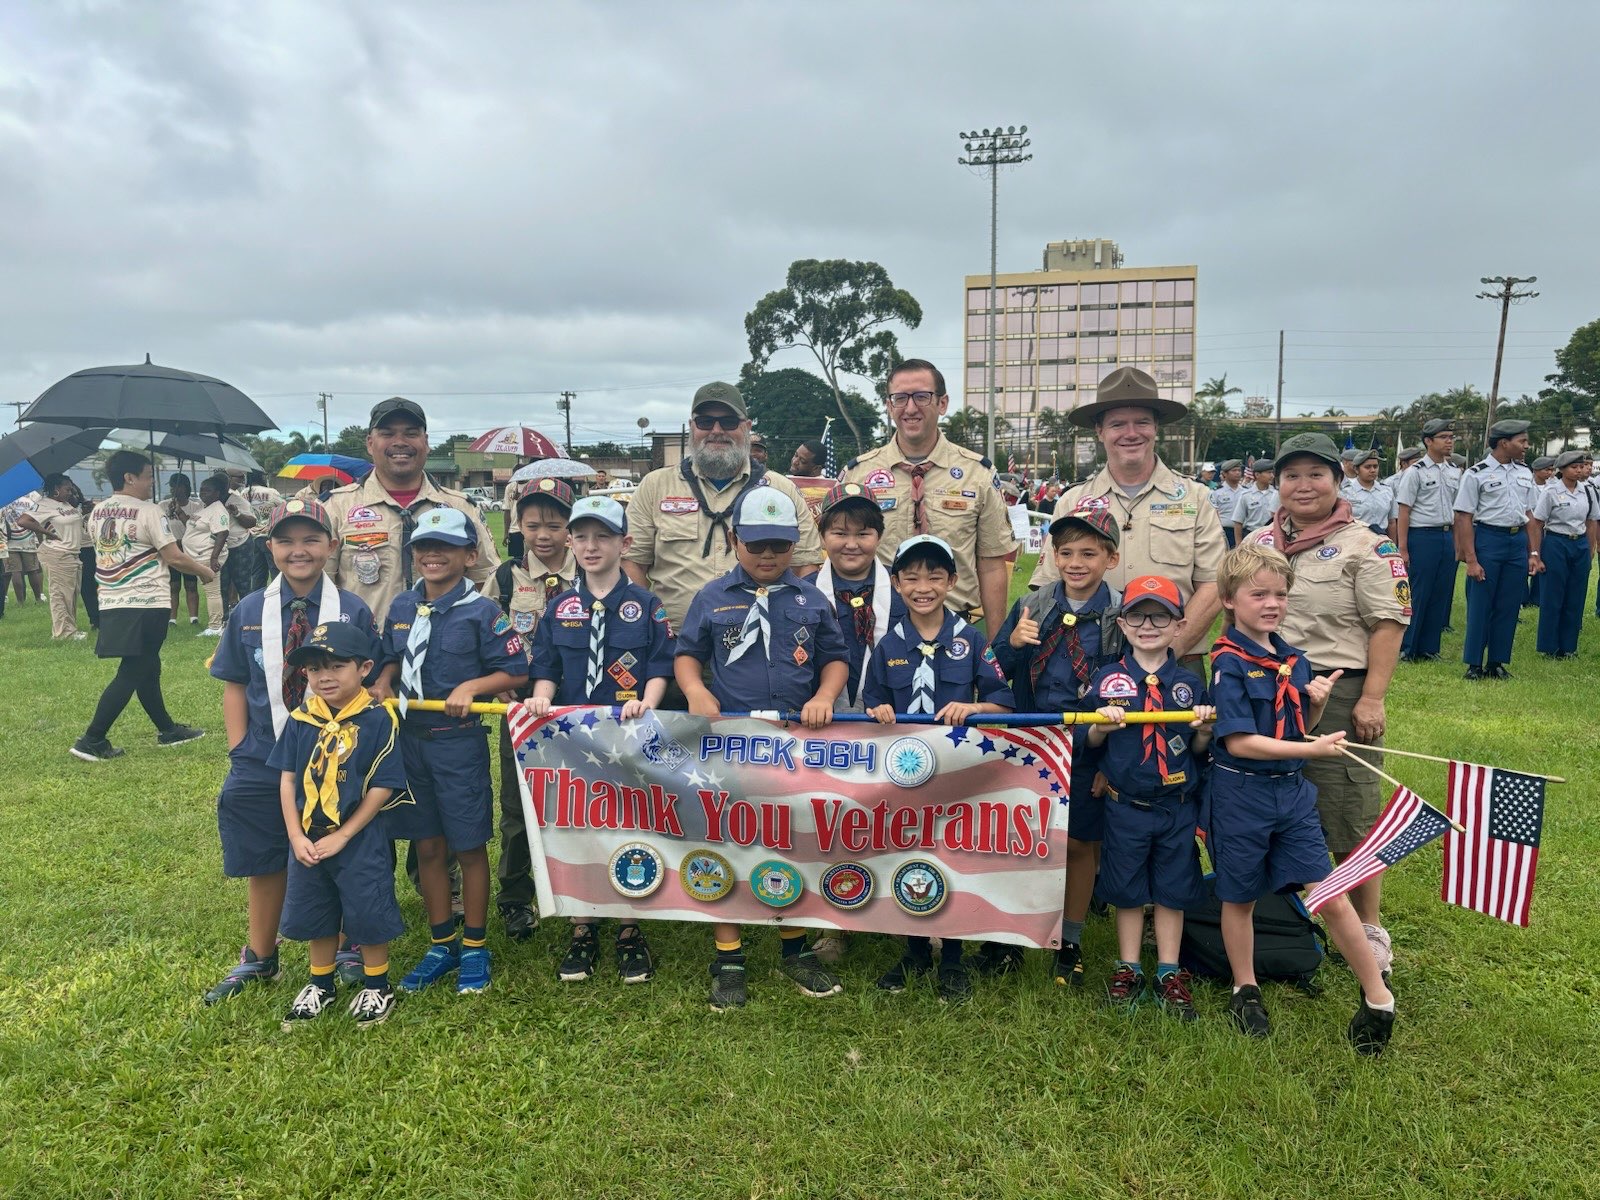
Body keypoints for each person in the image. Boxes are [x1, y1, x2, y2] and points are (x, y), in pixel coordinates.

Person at [1207, 544, 1396, 1054]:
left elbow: (1292, 728)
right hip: (1240, 795)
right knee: (1239, 895)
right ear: (1229, 600)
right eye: (1258, 594)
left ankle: (1378, 998)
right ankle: (1245, 987)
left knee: (1329, 894)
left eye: (1281, 595)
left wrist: (1314, 713)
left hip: (1291, 795)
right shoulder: (1227, 663)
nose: (1272, 603)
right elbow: (1240, 741)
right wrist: (1312, 745)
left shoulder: (1293, 658)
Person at [674, 486, 847, 1011]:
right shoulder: (712, 597)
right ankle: (728, 956)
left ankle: (794, 947)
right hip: (731, 743)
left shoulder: (811, 599)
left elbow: (835, 657)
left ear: (795, 543)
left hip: (794, 745)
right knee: (725, 843)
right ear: (733, 539)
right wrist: (697, 691)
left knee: (790, 843)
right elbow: (687, 654)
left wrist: (823, 694)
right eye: (756, 545)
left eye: (779, 545)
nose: (768, 555)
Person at [1243, 431, 1409, 977]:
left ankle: (1368, 929)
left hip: (1338, 694)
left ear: (1339, 480)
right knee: (1272, 808)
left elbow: (1389, 622)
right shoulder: (1255, 545)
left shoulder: (1369, 544)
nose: (1303, 485)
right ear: (1278, 482)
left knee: (1349, 816)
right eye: (1292, 475)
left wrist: (1372, 698)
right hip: (1268, 694)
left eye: (1316, 474)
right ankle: (1289, 914)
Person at [203, 498, 377, 1005]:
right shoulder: (249, 609)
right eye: (286, 540)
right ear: (269, 546)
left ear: (332, 546)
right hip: (263, 753)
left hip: (338, 756)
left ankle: (346, 944)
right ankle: (261, 955)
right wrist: (239, 748)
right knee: (264, 853)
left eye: (310, 540)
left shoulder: (352, 609)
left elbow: (371, 681)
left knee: (337, 846)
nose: (298, 551)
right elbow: (235, 683)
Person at [375, 507, 527, 996]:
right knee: (428, 845)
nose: (433, 555)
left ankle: (477, 945)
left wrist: (474, 685)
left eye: (445, 546)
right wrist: (381, 682)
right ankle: (442, 942)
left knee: (467, 845)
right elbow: (391, 662)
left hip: (456, 743)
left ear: (469, 554)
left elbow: (515, 672)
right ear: (413, 554)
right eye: (423, 546)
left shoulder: (483, 611)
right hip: (408, 742)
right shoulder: (401, 607)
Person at [526, 495, 675, 985]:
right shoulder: (560, 606)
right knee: (576, 821)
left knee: (629, 819)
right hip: (571, 739)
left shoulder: (644, 604)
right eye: (582, 537)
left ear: (624, 543)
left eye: (603, 537)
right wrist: (541, 699)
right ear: (570, 542)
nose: (591, 547)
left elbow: (658, 664)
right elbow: (546, 666)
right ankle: (582, 924)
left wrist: (649, 702)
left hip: (625, 733)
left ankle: (630, 925)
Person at [863, 534, 1013, 1003]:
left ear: (951, 581)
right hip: (904, 775)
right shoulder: (888, 644)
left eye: (934, 576)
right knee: (905, 852)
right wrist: (878, 712)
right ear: (896, 582)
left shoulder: (970, 642)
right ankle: (913, 951)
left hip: (954, 773)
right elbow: (871, 702)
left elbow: (1004, 703)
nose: (922, 586)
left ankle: (951, 957)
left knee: (952, 857)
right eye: (911, 577)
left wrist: (975, 708)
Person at [990, 506, 1126, 985]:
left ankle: (1070, 939)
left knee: (1081, 843)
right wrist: (1014, 643)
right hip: (1034, 739)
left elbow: (1132, 690)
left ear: (1110, 558)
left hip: (1091, 745)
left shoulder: (1122, 614)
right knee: (1022, 836)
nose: (1075, 561)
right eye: (1065, 551)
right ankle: (1010, 934)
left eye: (1089, 552)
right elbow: (994, 667)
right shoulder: (1035, 604)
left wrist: (1113, 763)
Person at [1083, 575, 1214, 1018]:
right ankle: (1129, 967)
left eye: (1161, 615)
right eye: (1138, 615)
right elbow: (1089, 744)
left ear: (1179, 625)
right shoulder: (1107, 679)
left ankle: (1168, 970)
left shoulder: (1191, 686)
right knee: (1125, 889)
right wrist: (1101, 724)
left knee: (1173, 889)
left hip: (1177, 806)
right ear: (1122, 624)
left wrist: (1204, 732)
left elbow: (1198, 752)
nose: (1148, 624)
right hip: (1126, 806)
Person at [1031, 368, 1224, 660]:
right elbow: (1047, 588)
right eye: (1118, 424)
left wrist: (1164, 653)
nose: (1131, 433)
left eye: (1142, 422)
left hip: (1176, 664)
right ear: (1100, 431)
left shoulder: (1196, 498)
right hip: (1085, 662)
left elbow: (1213, 585)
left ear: (1156, 427)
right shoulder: (1073, 501)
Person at [270, 620, 407, 1029]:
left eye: (336, 666)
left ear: (364, 669)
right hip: (310, 836)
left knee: (368, 908)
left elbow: (384, 784)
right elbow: (288, 778)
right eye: (314, 669)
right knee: (316, 907)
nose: (324, 677)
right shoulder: (301, 718)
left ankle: (378, 985)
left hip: (360, 836)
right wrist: (295, 835)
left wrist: (345, 834)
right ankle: (321, 984)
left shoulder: (378, 718)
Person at [625, 381, 823, 635]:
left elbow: (805, 566)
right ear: (692, 427)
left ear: (747, 427)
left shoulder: (780, 489)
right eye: (705, 422)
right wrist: (650, 627)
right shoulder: (655, 486)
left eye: (728, 421)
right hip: (674, 646)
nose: (716, 431)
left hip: (764, 649)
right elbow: (633, 562)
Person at [841, 360, 1016, 634]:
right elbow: (841, 558)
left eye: (922, 396)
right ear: (889, 406)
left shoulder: (977, 474)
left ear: (942, 404)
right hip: (879, 629)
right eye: (900, 398)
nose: (911, 408)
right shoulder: (858, 476)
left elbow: (992, 563)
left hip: (959, 627)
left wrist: (996, 648)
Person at [805, 481, 904, 965]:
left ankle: (903, 908)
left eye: (864, 532)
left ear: (879, 536)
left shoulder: (907, 591)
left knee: (894, 818)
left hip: (892, 726)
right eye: (839, 531)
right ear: (821, 535)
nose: (851, 543)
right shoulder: (801, 593)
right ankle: (834, 921)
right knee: (832, 821)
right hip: (824, 726)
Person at [481, 476, 578, 942]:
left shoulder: (594, 569)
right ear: (518, 524)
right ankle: (517, 898)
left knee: (582, 801)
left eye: (556, 524)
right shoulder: (503, 578)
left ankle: (582, 886)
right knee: (519, 807)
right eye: (534, 524)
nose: (544, 535)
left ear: (570, 526)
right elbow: (480, 633)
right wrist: (498, 685)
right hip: (521, 712)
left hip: (578, 708)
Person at [71, 451, 213, 762]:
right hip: (148, 600)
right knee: (135, 668)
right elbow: (174, 556)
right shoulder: (149, 511)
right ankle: (93, 738)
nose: (152, 481)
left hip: (112, 599)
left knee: (148, 666)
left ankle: (167, 729)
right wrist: (204, 571)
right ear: (129, 478)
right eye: (148, 475)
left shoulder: (96, 513)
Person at [322, 397, 499, 626]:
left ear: (425, 442)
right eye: (387, 433)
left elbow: (486, 579)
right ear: (369, 443)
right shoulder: (335, 508)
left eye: (411, 433)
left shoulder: (461, 507)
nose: (400, 442)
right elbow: (321, 585)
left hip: (447, 651)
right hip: (365, 651)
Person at [1454, 419, 1536, 680]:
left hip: (1516, 541)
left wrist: (1533, 553)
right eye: (1522, 441)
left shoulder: (1524, 472)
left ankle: (1497, 662)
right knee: (1481, 604)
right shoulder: (1475, 473)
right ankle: (1474, 664)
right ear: (1504, 443)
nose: (1527, 446)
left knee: (1509, 604)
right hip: (1488, 538)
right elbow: (1464, 517)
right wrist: (1471, 559)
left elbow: (1530, 514)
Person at [1395, 419, 1461, 663]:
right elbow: (1404, 511)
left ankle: (1429, 647)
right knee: (1418, 593)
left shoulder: (1454, 470)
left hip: (1446, 535)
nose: (1449, 441)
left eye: (1451, 437)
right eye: (1444, 437)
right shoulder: (1415, 472)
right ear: (1428, 441)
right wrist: (1402, 547)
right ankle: (1408, 647)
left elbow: (1458, 510)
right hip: (1422, 536)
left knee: (1440, 593)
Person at [1529, 450, 1596, 659]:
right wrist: (1536, 553)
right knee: (1553, 596)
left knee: (1575, 596)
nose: (1578, 471)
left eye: (1580, 467)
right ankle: (1549, 646)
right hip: (1556, 542)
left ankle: (1569, 647)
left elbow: (1592, 521)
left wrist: (1591, 547)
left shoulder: (1588, 491)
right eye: (1573, 467)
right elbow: (1537, 523)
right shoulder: (1551, 491)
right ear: (1562, 470)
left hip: (1579, 544)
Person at [19, 474, 89, 639]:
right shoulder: (44, 504)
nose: (70, 492)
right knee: (60, 594)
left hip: (73, 553)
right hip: (57, 553)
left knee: (71, 594)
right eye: (67, 489)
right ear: (56, 489)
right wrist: (45, 532)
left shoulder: (65, 504)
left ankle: (70, 629)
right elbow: (23, 521)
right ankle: (62, 633)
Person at [187, 476, 235, 636]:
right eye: (201, 490)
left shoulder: (218, 509)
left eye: (207, 490)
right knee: (209, 590)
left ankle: (215, 627)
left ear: (217, 493)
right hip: (198, 556)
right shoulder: (205, 508)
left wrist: (214, 558)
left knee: (212, 591)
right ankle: (215, 625)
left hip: (208, 556)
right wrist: (180, 513)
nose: (203, 493)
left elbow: (222, 533)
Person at [163, 474, 203, 626]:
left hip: (189, 549)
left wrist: (180, 513)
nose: (174, 489)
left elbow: (195, 528)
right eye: (172, 486)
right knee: (173, 585)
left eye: (177, 485)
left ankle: (194, 618)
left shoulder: (196, 507)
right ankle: (172, 619)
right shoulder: (163, 505)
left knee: (191, 584)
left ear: (185, 487)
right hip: (171, 549)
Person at [1341, 449, 1397, 539]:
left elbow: (1391, 522)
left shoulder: (1386, 491)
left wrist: (1394, 546)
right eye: (1367, 467)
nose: (1372, 470)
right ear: (1356, 469)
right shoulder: (1346, 492)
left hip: (1382, 540)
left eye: (1375, 466)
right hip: (1356, 539)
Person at [3, 489, 45, 604]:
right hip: (28, 539)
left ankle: (20, 602)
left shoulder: (4, 502)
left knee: (15, 572)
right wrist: (40, 540)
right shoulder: (29, 502)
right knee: (33, 571)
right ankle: (38, 598)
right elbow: (37, 521)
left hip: (10, 541)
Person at [1231, 460, 1278, 548]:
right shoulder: (1246, 496)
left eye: (1272, 473)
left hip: (1273, 537)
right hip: (1252, 537)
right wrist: (1238, 543)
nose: (1272, 476)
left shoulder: (1277, 494)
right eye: (1268, 473)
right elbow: (1238, 521)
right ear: (1257, 475)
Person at [1211, 460, 1243, 547]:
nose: (1237, 473)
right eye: (1234, 471)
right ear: (1224, 474)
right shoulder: (1216, 492)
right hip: (1224, 532)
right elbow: (1213, 513)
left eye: (1239, 470)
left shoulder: (1246, 491)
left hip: (1243, 531)